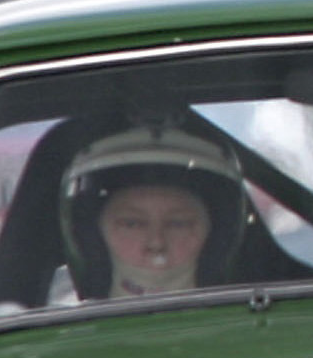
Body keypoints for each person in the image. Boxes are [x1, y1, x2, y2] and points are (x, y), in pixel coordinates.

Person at [57, 126, 253, 302]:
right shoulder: (57, 325)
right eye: (132, 224)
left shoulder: (255, 323)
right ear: (92, 236)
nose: (156, 244)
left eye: (178, 224)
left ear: (216, 234)